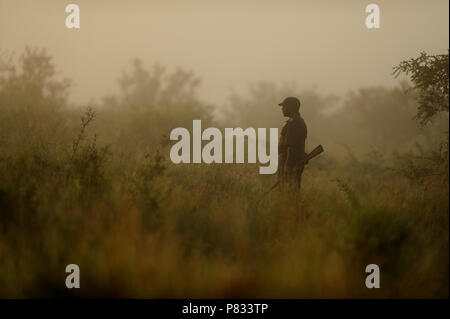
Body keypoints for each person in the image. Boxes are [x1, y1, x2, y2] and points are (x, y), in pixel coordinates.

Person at [277, 96, 308, 190]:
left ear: (291, 107)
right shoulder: (295, 122)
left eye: (285, 106)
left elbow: (290, 146)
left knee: (289, 191)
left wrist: (287, 167)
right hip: (291, 162)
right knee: (289, 190)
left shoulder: (295, 123)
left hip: (291, 163)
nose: (282, 109)